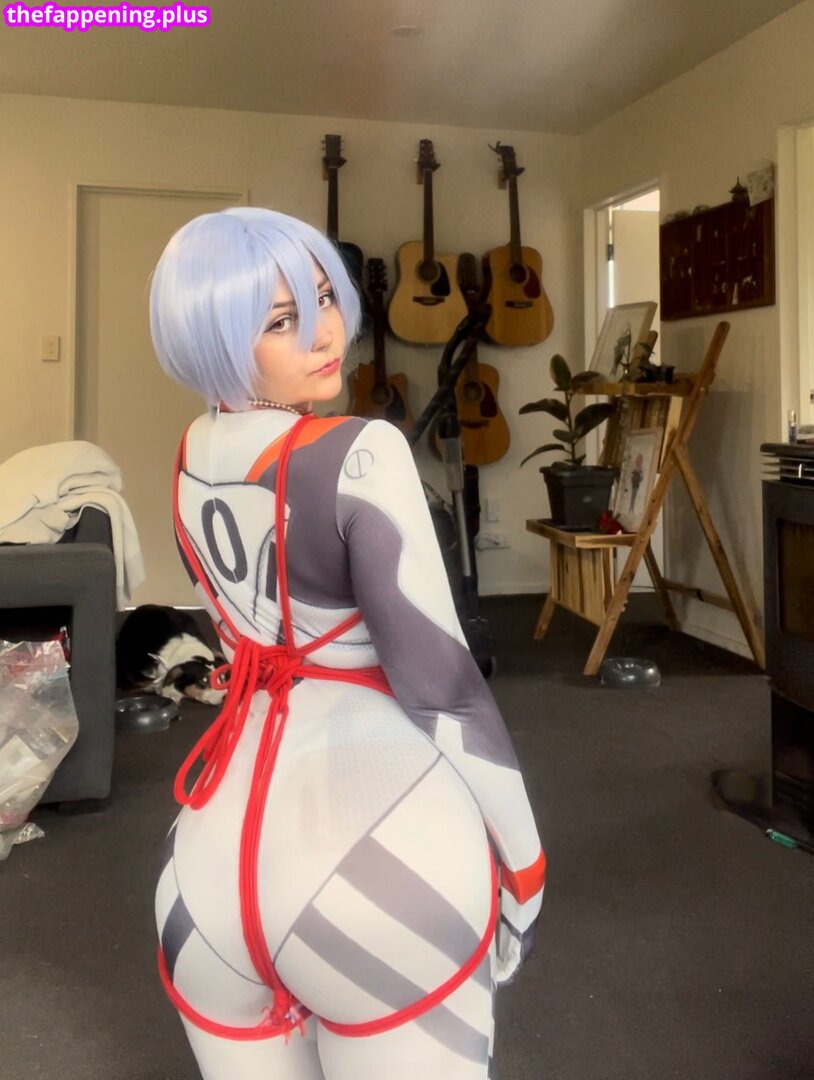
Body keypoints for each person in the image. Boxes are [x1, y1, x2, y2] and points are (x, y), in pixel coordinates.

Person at [149, 206, 545, 1080]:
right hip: (373, 853)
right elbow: (445, 690)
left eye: (325, 300)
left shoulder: (188, 451)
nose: (326, 334)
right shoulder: (363, 451)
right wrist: (526, 873)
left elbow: (241, 637)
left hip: (202, 876)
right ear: (211, 336)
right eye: (281, 320)